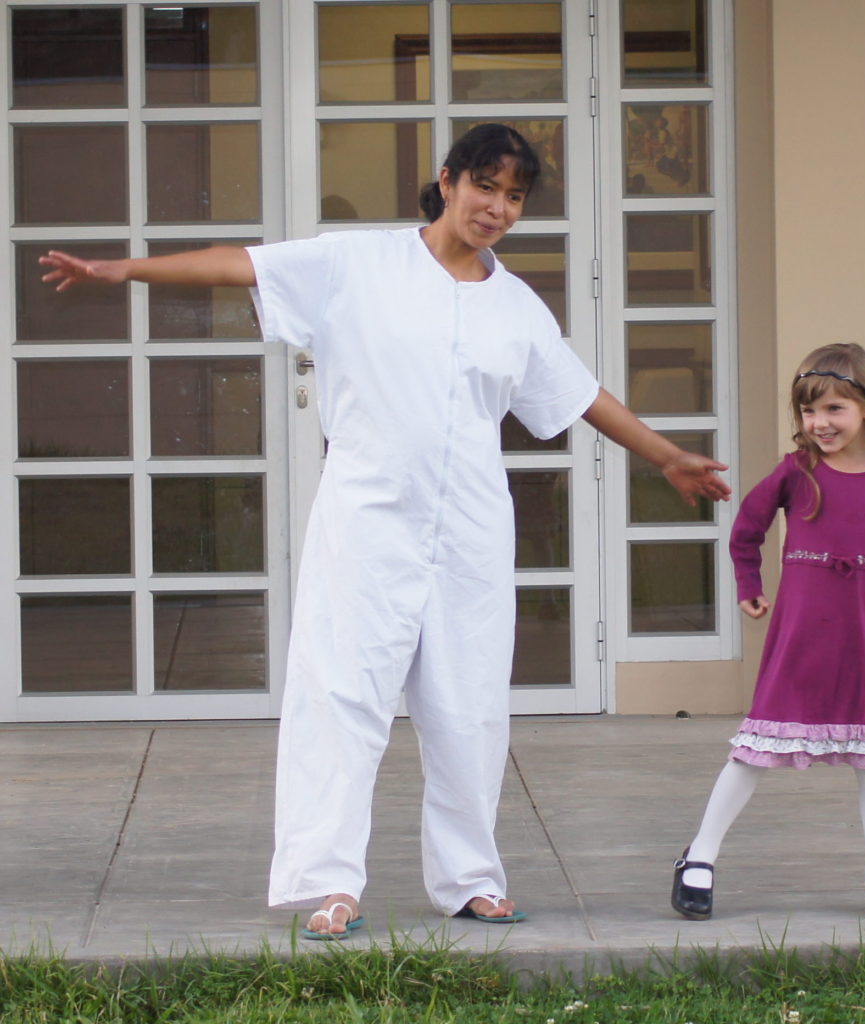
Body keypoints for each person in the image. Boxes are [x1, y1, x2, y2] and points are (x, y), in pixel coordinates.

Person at [41, 122, 731, 940]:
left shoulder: (514, 304)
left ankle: (470, 880)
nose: (498, 207)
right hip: (366, 519)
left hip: (471, 528)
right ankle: (328, 883)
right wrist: (124, 270)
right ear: (447, 180)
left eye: (514, 196)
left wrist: (664, 457)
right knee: (340, 695)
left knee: (470, 707)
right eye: (486, 186)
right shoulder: (357, 263)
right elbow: (243, 264)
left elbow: (579, 394)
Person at [671, 343, 865, 922]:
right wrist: (748, 582)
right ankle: (700, 857)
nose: (820, 423)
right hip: (802, 631)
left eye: (834, 409)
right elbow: (747, 529)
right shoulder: (797, 471)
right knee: (755, 750)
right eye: (809, 412)